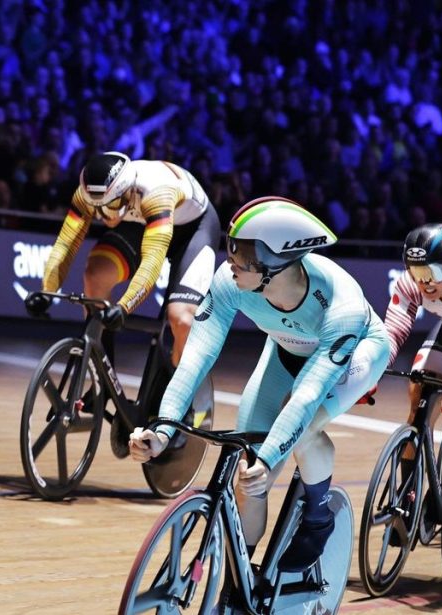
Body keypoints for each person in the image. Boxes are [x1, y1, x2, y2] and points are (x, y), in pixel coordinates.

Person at [129, 197, 389, 582]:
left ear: (277, 262)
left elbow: (305, 397)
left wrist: (270, 461)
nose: (230, 259)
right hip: (286, 350)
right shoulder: (231, 282)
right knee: (247, 478)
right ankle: (239, 581)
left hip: (355, 356)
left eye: (242, 254)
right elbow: (195, 359)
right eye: (231, 246)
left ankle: (318, 519)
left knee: (303, 429)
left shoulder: (341, 305)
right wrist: (163, 428)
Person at [24, 152, 220, 369]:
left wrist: (123, 307)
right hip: (141, 223)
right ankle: (102, 380)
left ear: (126, 191)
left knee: (181, 319)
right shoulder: (88, 192)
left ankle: (180, 389)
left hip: (192, 230)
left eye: (110, 205)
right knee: (95, 275)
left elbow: (151, 262)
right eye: (97, 209)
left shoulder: (156, 192)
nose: (104, 215)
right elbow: (65, 244)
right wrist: (47, 290)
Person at [380, 223, 442, 531]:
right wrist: (371, 372)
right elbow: (393, 331)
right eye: (417, 273)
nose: (425, 283)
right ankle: (409, 494)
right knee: (419, 390)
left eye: (433, 274)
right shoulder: (411, 282)